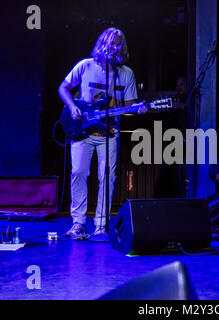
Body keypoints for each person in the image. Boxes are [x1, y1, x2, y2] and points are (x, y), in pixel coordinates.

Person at [58, 27, 147, 240]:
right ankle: (78, 224)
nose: (115, 47)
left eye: (119, 43)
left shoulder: (126, 74)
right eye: (112, 42)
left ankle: (100, 225)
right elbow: (63, 87)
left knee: (107, 178)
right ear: (103, 44)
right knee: (78, 173)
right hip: (82, 131)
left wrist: (138, 108)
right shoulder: (85, 66)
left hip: (110, 133)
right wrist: (72, 107)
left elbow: (129, 105)